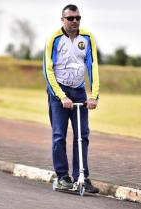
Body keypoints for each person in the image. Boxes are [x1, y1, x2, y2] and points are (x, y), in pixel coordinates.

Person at [43, 4, 99, 193]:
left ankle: (82, 176)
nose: (75, 21)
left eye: (77, 18)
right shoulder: (54, 39)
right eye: (70, 18)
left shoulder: (87, 38)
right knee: (59, 135)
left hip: (79, 92)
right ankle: (62, 177)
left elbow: (92, 66)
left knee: (82, 136)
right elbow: (48, 70)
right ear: (62, 20)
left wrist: (94, 95)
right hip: (59, 92)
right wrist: (61, 96)